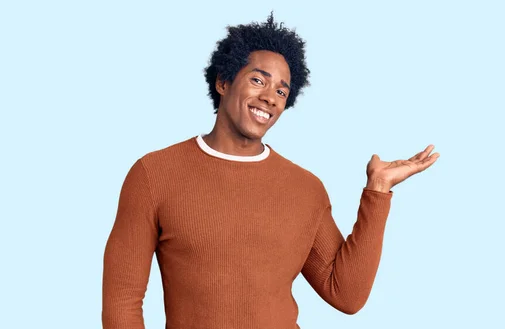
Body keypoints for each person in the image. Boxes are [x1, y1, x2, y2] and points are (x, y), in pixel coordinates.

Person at [101, 12, 439, 329]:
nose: (270, 98)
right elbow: (122, 301)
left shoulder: (305, 188)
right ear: (223, 82)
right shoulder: (154, 174)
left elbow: (346, 294)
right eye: (258, 80)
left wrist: (378, 189)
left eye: (281, 90)